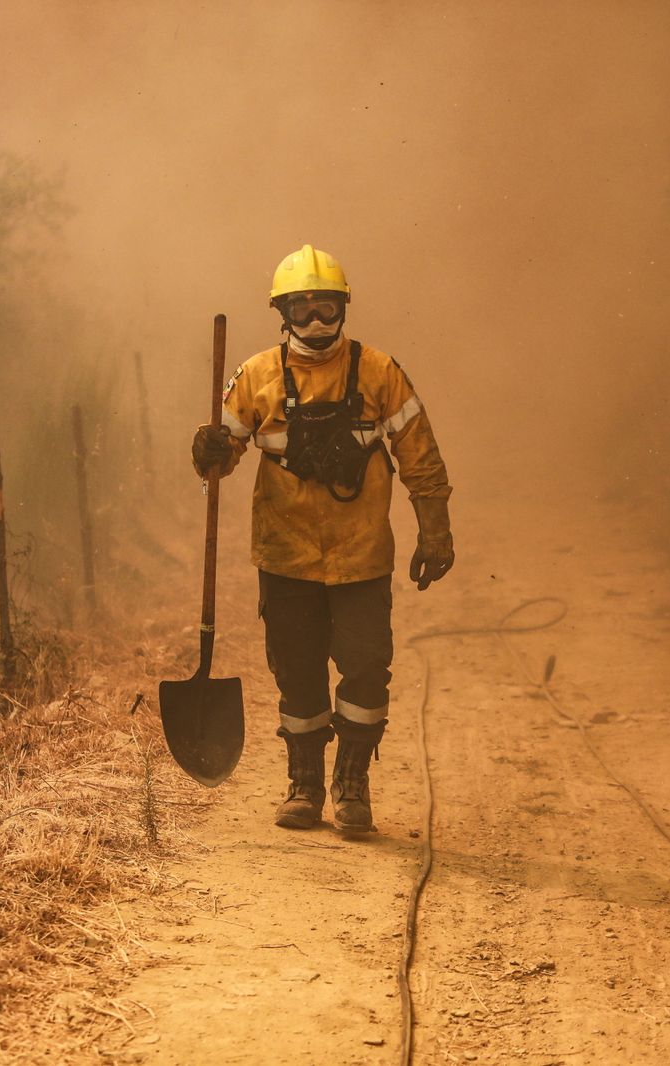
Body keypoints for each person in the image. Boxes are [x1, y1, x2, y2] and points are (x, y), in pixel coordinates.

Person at [190, 244, 454, 834]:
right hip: (285, 554)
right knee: (297, 671)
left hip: (362, 554)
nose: (315, 321)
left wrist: (435, 532)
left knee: (366, 667)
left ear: (344, 308)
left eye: (326, 307)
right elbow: (219, 460)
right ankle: (305, 784)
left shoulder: (380, 373)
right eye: (302, 309)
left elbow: (420, 456)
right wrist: (206, 448)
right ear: (282, 313)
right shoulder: (255, 377)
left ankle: (352, 784)